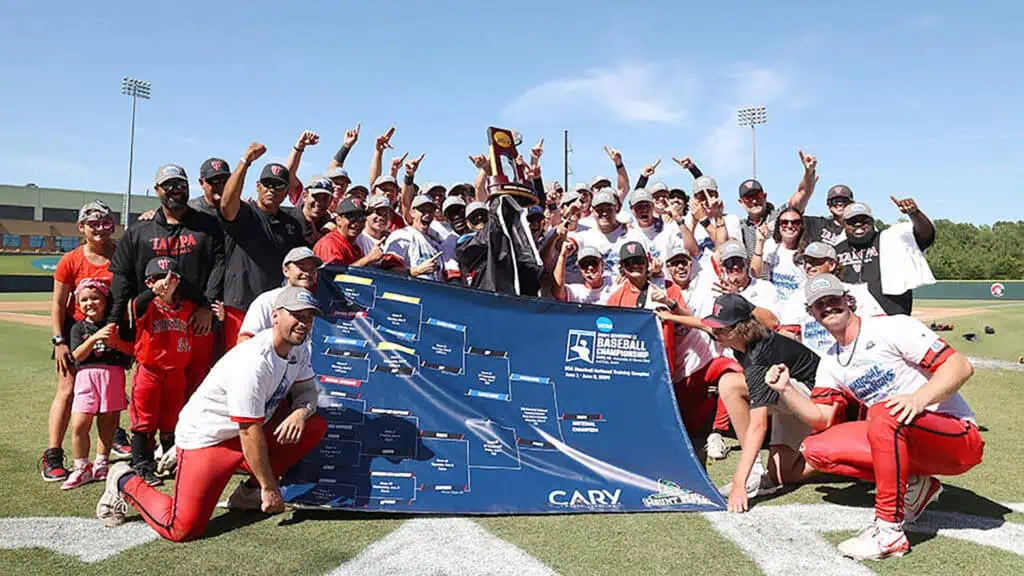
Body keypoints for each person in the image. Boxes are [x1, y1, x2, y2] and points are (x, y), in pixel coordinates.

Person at [765, 274, 982, 560]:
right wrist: (786, 390)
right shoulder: (831, 361)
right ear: (811, 313)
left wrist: (918, 399)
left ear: (848, 300)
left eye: (833, 299)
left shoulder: (890, 327)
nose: (828, 307)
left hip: (957, 436)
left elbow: (959, 366)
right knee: (815, 449)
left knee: (883, 412)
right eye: (820, 304)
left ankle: (889, 532)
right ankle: (916, 485)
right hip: (900, 434)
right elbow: (822, 419)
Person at [97, 286, 327, 543]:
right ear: (275, 317)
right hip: (207, 439)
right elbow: (248, 430)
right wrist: (269, 487)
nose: (303, 323)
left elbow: (307, 392)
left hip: (242, 434)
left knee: (313, 425)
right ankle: (124, 480)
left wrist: (301, 412)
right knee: (182, 528)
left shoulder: (299, 348)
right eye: (296, 315)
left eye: (308, 316)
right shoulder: (255, 361)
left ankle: (247, 493)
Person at [108, 164, 225, 403]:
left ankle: (188, 441)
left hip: (196, 321)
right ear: (157, 189)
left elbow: (220, 266)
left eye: (180, 185)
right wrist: (115, 322)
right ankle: (148, 441)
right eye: (168, 185)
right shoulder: (138, 231)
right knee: (150, 397)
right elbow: (121, 277)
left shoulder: (209, 227)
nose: (175, 190)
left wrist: (207, 307)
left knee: (196, 392)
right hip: (154, 326)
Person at [702, 294, 821, 514]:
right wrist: (672, 313)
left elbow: (759, 425)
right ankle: (838, 466)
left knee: (729, 383)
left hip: (815, 399)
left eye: (720, 329)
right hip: (789, 392)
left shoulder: (758, 359)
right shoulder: (744, 340)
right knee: (783, 475)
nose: (714, 334)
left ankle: (753, 474)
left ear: (739, 329)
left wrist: (739, 482)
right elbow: (702, 326)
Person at [44, 200, 125, 481]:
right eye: (93, 224)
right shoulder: (72, 260)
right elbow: (57, 304)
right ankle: (53, 454)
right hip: (76, 330)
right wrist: (59, 341)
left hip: (110, 329)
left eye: (105, 223)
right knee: (67, 389)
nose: (100, 229)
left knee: (111, 389)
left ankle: (110, 440)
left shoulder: (121, 255)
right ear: (82, 228)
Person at [655, 245, 743, 464]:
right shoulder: (660, 289)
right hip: (681, 372)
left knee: (734, 371)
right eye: (675, 263)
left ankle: (718, 433)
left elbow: (696, 320)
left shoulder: (704, 283)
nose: (681, 267)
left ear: (692, 264)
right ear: (667, 267)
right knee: (691, 427)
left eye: (684, 262)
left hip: (710, 359)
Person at [125, 257, 197, 486]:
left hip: (176, 373)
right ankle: (142, 464)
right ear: (148, 282)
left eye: (170, 278)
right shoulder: (148, 306)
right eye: (158, 279)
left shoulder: (187, 307)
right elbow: (137, 306)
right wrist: (153, 292)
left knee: (171, 420)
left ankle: (169, 461)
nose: (165, 283)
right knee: (144, 421)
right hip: (150, 371)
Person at [219, 142, 307, 326]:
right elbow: (226, 203)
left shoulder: (292, 224)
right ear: (258, 186)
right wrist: (246, 160)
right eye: (267, 184)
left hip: (275, 307)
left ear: (286, 191)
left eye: (279, 185)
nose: (272, 189)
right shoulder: (244, 213)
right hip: (240, 307)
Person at [61, 279, 134, 490]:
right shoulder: (77, 328)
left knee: (108, 422)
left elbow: (130, 351)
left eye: (95, 298)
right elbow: (76, 356)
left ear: (105, 301)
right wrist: (94, 339)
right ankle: (81, 466)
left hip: (112, 375)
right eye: (84, 300)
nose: (89, 303)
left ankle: (102, 462)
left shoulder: (116, 326)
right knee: (79, 424)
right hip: (86, 377)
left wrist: (116, 342)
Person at [833, 199, 935, 315]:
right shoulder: (836, 250)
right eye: (852, 221)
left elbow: (925, 236)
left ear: (872, 221)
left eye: (864, 220)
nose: (858, 224)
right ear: (844, 224)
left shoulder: (892, 239)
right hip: (853, 320)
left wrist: (914, 213)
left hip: (892, 317)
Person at [794, 242, 885, 354]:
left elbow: (879, 326)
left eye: (814, 262)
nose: (808, 266)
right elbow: (789, 334)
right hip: (815, 363)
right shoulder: (797, 297)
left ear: (832, 265)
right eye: (806, 262)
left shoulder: (857, 292)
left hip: (855, 356)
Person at [735, 150, 817, 259]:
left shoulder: (781, 216)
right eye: (748, 198)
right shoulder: (740, 227)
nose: (754, 201)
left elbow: (802, 193)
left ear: (765, 196)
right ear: (741, 202)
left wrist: (809, 172)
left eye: (757, 196)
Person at [237, 247, 321, 344]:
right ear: (286, 271)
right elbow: (245, 340)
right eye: (301, 267)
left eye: (312, 269)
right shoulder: (267, 300)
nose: (307, 273)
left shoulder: (319, 304)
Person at [751, 207, 808, 337]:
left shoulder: (808, 252)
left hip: (797, 316)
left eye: (795, 222)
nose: (789, 226)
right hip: (774, 314)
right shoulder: (772, 246)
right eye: (784, 222)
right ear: (778, 225)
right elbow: (755, 273)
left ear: (801, 226)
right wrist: (759, 242)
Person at [384, 195, 445, 281]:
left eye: (431, 211)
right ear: (412, 212)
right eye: (423, 211)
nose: (427, 215)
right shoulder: (402, 235)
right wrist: (416, 271)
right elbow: (387, 272)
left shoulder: (435, 244)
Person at [685, 176, 742, 267]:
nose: (706, 199)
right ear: (695, 198)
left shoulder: (731, 219)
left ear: (717, 195)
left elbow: (724, 249)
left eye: (710, 194)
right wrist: (693, 222)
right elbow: (687, 252)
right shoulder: (687, 221)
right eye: (701, 196)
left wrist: (707, 220)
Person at [313, 199, 384, 267]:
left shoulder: (354, 246)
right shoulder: (329, 243)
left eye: (361, 218)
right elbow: (335, 276)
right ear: (338, 220)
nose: (356, 223)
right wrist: (368, 259)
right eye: (351, 217)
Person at [288, 178, 334, 246]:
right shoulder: (287, 219)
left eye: (325, 198)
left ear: (330, 201)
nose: (320, 202)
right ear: (304, 196)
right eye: (316, 197)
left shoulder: (329, 223)